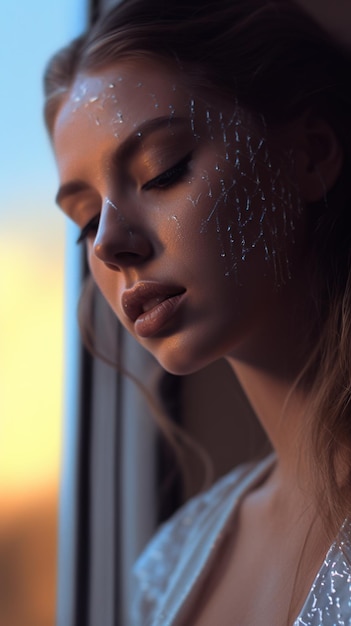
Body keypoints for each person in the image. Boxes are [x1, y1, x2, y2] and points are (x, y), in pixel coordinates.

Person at [44, 0, 351, 624]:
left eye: (163, 171)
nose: (107, 244)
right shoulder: (169, 565)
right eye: (83, 222)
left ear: (311, 154)